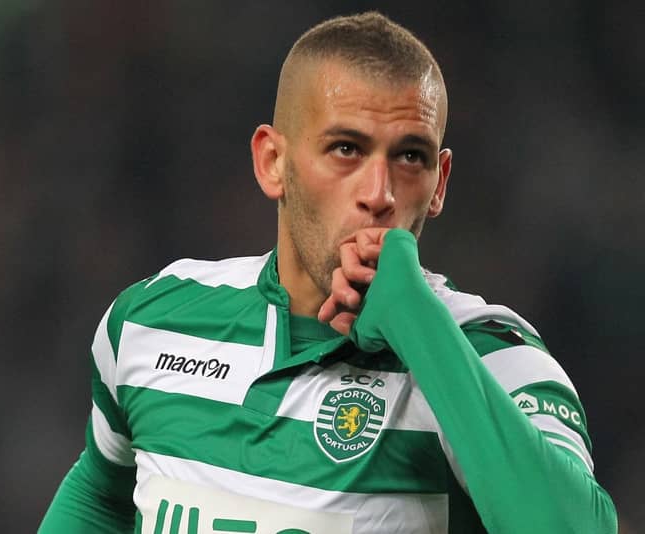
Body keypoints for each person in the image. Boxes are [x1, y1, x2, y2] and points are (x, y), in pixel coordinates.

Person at [40, 11, 617, 533]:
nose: (379, 193)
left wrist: (417, 321)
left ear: (439, 184)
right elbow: (101, 493)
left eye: (410, 156)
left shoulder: (492, 355)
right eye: (346, 149)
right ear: (273, 162)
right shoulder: (153, 321)